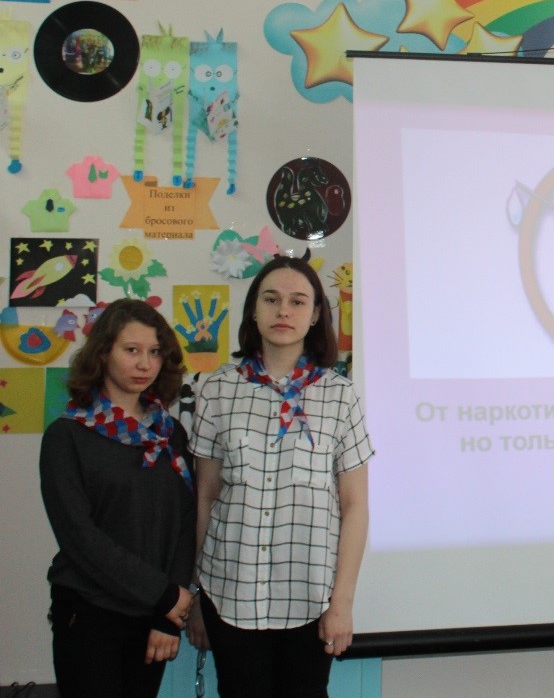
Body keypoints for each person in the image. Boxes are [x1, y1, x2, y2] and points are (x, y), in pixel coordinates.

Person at [187, 256, 374, 698]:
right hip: (229, 594)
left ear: (315, 315)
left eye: (297, 301)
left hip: (310, 598)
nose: (283, 311)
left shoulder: (340, 395)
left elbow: (355, 505)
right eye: (271, 300)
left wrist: (342, 602)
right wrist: (196, 594)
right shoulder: (217, 389)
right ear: (254, 310)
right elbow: (205, 497)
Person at [39, 299, 196, 698]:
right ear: (103, 353)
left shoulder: (169, 433)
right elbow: (79, 537)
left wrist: (168, 613)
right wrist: (164, 595)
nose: (145, 363)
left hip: (156, 614)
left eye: (155, 352)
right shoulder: (67, 436)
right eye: (131, 350)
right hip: (90, 612)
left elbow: (185, 522)